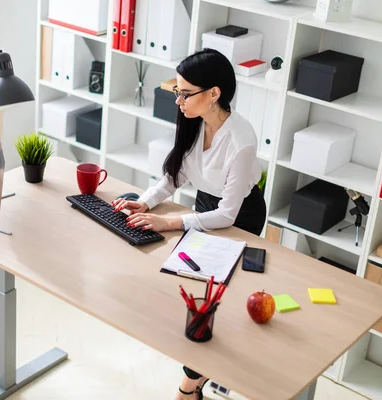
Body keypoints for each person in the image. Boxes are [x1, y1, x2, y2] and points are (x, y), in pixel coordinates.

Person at [111, 48, 267, 400]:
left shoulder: (240, 140)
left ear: (214, 94)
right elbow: (174, 176)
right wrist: (146, 201)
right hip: (205, 207)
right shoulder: (194, 121)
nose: (178, 100)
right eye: (177, 91)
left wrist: (168, 222)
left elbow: (227, 215)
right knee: (194, 293)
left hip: (239, 216)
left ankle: (189, 386)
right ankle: (198, 373)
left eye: (185, 93)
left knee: (212, 299)